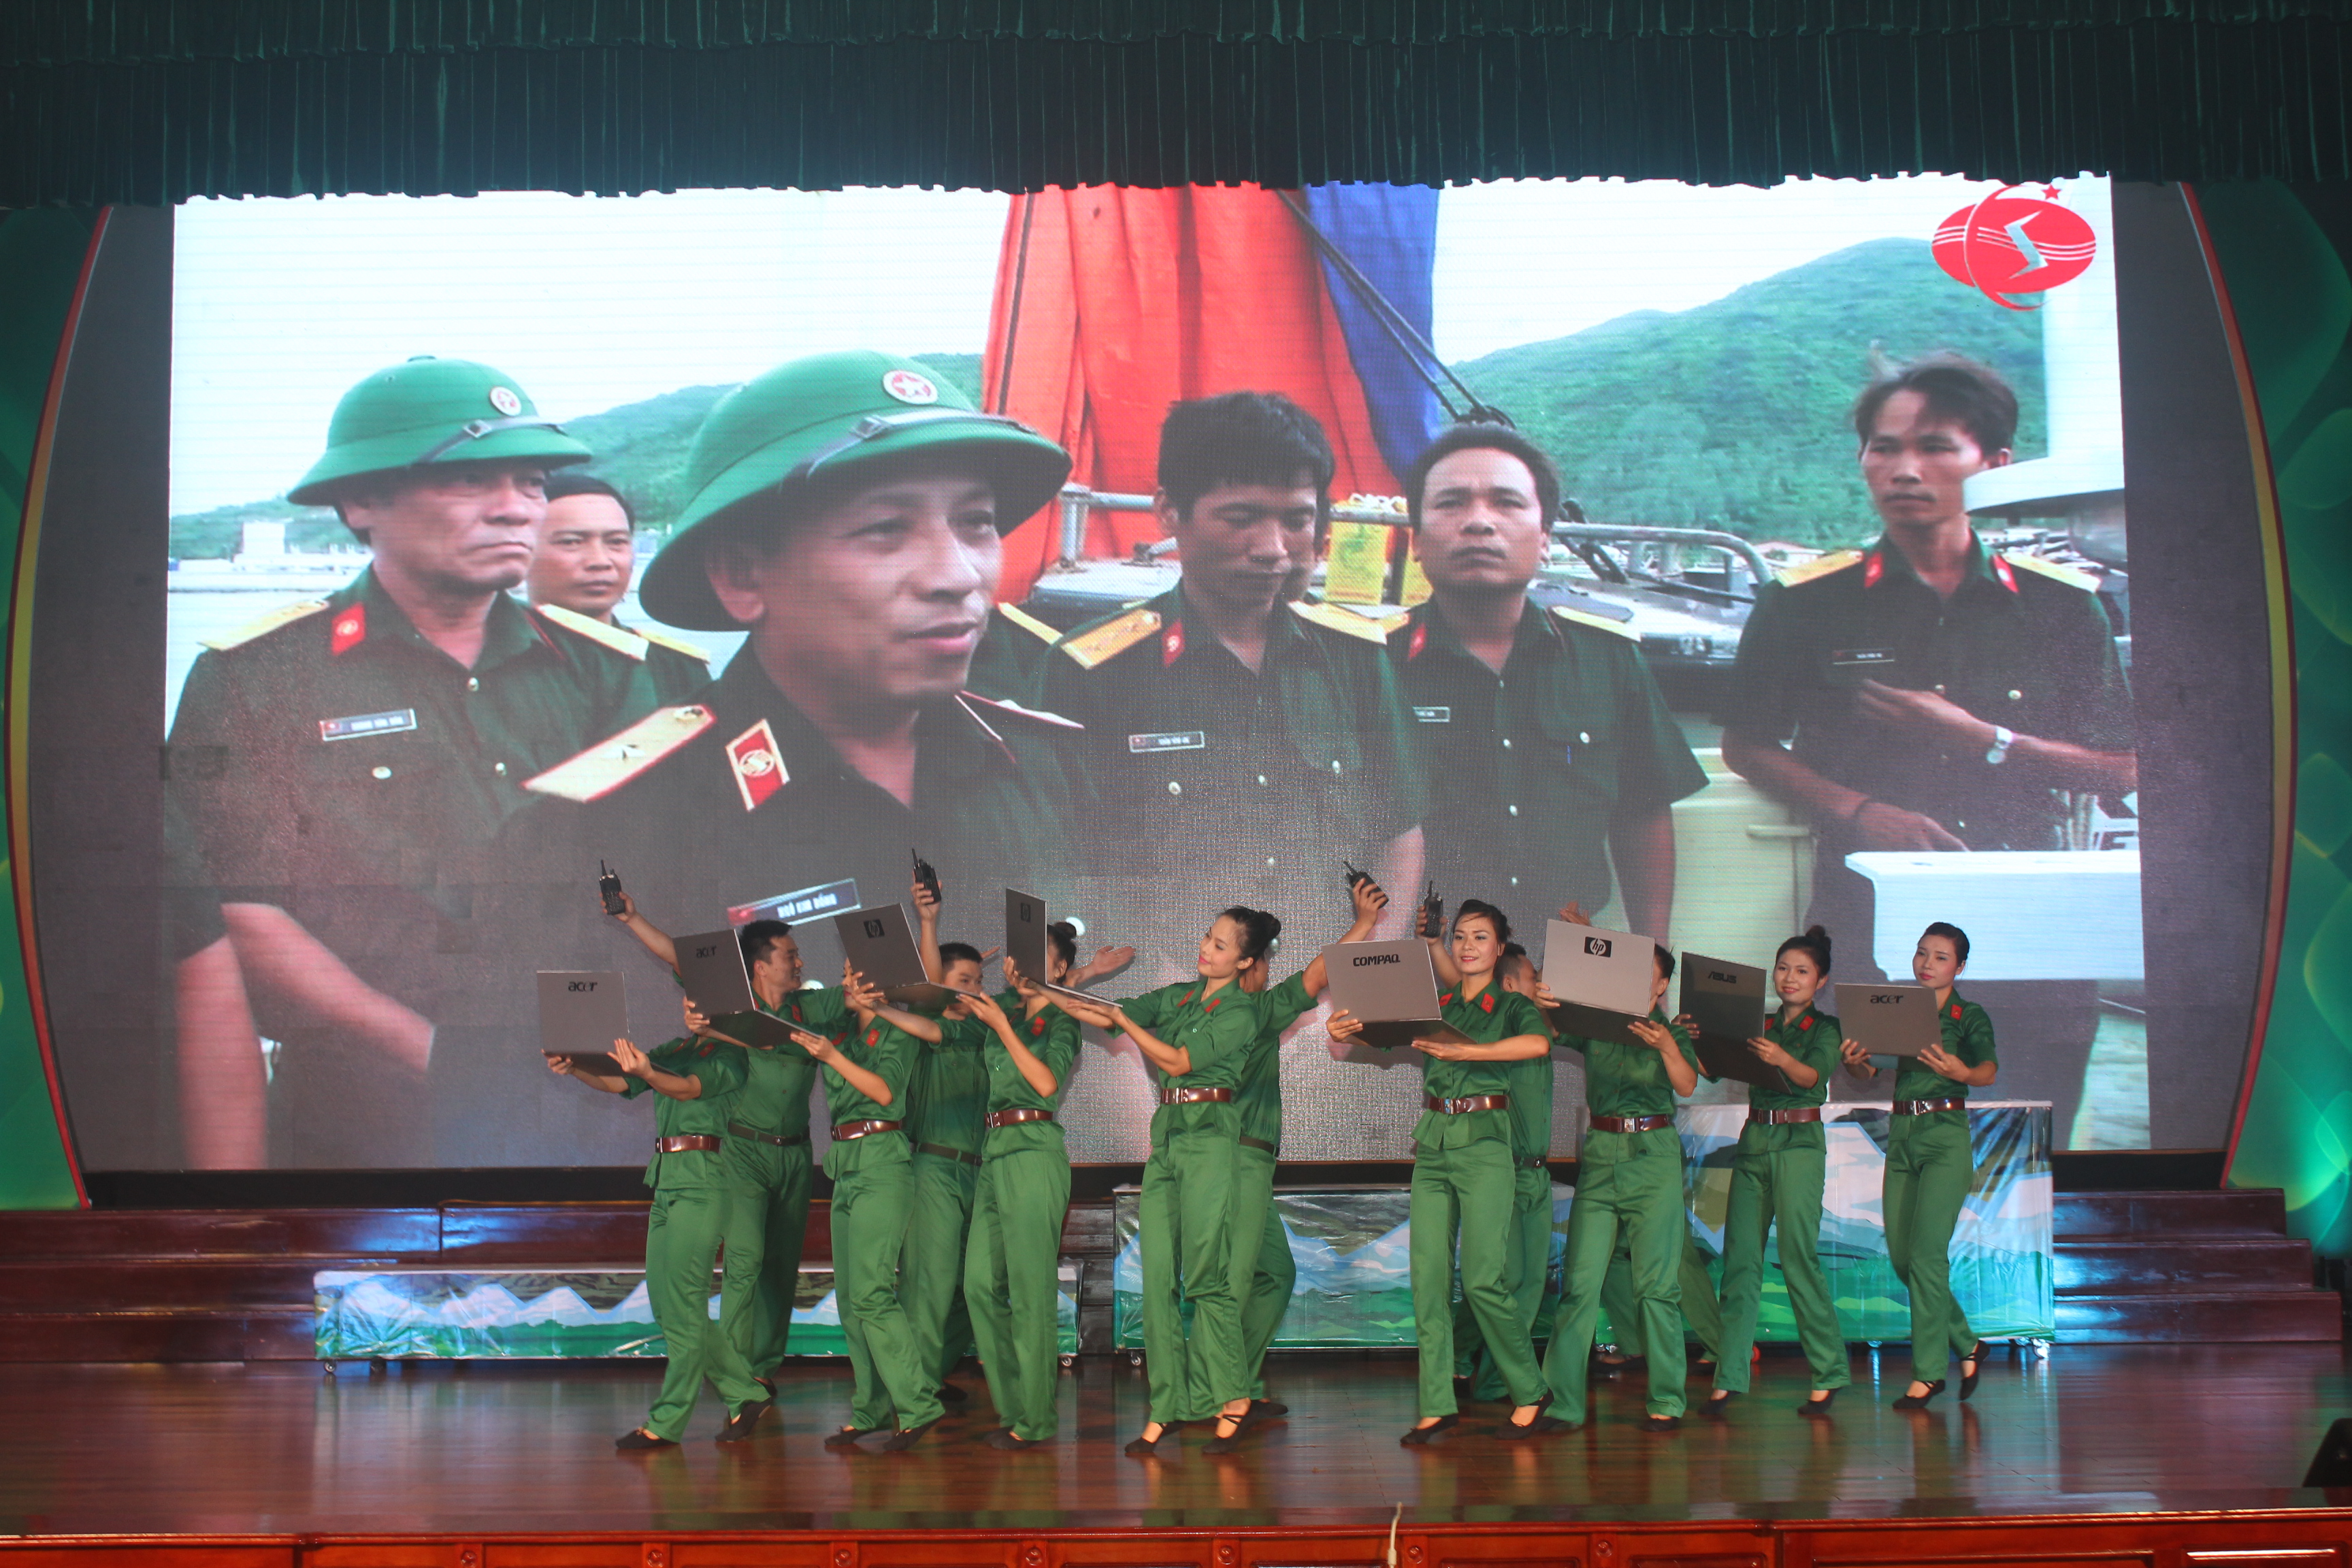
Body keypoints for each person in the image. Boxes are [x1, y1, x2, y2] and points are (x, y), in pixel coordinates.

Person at [165, 355, 653, 1167]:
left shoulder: (609, 669)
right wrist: (443, 1058)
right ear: (362, 501)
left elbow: (653, 878)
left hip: (588, 1103)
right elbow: (234, 907)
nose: (515, 510)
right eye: (470, 482)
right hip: (359, 1120)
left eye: (532, 482)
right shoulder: (258, 674)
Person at [525, 350, 1086, 948]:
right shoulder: (612, 827)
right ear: (743, 576)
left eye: (976, 522)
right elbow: (575, 1039)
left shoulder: (1037, 761)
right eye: (884, 529)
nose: (957, 575)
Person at [1719, 353, 2134, 1137]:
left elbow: (2123, 765)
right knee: (1871, 1147)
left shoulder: (2060, 609)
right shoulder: (1806, 604)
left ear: (1995, 465)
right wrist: (1858, 809)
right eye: (1884, 447)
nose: (1904, 469)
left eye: (1937, 446)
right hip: (1872, 928)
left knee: (2024, 1144)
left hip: (2028, 933)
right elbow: (1746, 744)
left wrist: (1989, 740)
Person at [1041, 393, 1426, 975]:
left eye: (1297, 520)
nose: (1273, 549)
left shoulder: (1355, 656)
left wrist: (1361, 992)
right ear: (1170, 513)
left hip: (1339, 1001)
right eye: (1241, 518)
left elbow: (1400, 833)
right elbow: (1059, 868)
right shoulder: (1093, 671)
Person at [1390, 423, 1707, 938]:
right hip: (1423, 957)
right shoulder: (1369, 664)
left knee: (1634, 1021)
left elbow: (1644, 815)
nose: (1479, 523)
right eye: (1451, 503)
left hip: (1580, 948)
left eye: (1507, 503)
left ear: (1543, 540)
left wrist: (1653, 959)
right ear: (1418, 541)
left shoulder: (1607, 658)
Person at [1053, 909, 1279, 1458]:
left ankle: (1234, 1396)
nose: (1207, 948)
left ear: (1245, 961)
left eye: (1222, 946)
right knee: (1156, 1281)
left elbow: (1178, 1060)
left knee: (1206, 1276)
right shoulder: (1178, 996)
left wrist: (1130, 1027)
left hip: (1211, 1140)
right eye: (1208, 936)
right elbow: (1106, 1014)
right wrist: (1044, 990)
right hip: (1169, 1141)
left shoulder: (1243, 1013)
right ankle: (1166, 1407)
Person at [1327, 900, 1554, 1444]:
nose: (1468, 946)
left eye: (1480, 938)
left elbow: (1540, 1043)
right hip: (1433, 1144)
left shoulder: (1511, 1005)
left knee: (1481, 1278)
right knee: (1428, 1279)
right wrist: (1346, 1029)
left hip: (1485, 1145)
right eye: (1460, 937)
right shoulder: (1438, 1001)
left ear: (1500, 949)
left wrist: (1471, 1054)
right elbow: (1380, 1036)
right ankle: (1436, 1403)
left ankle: (1531, 1389)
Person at [610, 901, 848, 1394]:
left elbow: (865, 999)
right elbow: (681, 958)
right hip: (742, 1152)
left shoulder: (812, 1007)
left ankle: (762, 1368)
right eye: (791, 954)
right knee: (746, 1260)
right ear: (760, 964)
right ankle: (737, 1372)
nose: (800, 962)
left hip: (797, 1154)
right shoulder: (732, 1005)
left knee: (780, 1266)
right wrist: (632, 917)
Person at [549, 1018, 766, 1450]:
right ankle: (747, 1392)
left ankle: (667, 1423)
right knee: (669, 1308)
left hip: (702, 1184)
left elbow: (686, 1088)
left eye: (698, 997)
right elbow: (620, 1084)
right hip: (666, 1181)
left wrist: (648, 1071)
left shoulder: (732, 1056)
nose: (690, 1005)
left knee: (685, 1304)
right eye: (686, 996)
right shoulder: (676, 1047)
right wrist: (576, 1068)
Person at [1230, 872, 1391, 1408]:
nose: (1272, 972)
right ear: (1249, 965)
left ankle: (1240, 1386)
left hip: (1242, 1166)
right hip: (1238, 1164)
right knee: (1235, 1284)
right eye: (1269, 961)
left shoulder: (1225, 1013)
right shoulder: (1248, 1010)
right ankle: (1224, 1392)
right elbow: (1320, 974)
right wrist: (1364, 922)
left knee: (1274, 1273)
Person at [1535, 930, 1703, 1433]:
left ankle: (1668, 1400)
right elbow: (1556, 1026)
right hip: (1603, 1151)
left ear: (1662, 984)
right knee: (1581, 1282)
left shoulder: (1677, 1032)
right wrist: (1547, 1000)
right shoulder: (1599, 1023)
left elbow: (1687, 1084)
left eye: (1646, 971)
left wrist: (1668, 1044)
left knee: (1657, 1285)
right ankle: (1564, 1404)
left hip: (1653, 1154)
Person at [1841, 921, 1999, 1411]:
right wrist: (1854, 1060)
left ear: (1961, 966)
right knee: (1904, 1258)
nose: (1927, 964)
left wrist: (1963, 1072)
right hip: (1903, 1136)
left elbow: (1988, 1070)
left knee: (1927, 1255)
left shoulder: (1968, 1014)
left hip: (1945, 1137)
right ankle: (1968, 1343)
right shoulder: (1899, 1009)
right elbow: (1869, 1070)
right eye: (1921, 953)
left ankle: (1929, 1374)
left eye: (1940, 957)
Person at [1695, 926, 1850, 1417]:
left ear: (1820, 980)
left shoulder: (1825, 1029)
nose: (1789, 978)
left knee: (1799, 1257)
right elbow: (1710, 1070)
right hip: (1756, 1140)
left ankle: (1828, 1371)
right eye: (1782, 968)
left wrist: (1781, 1056)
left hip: (1800, 1143)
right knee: (1740, 1260)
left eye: (1801, 971)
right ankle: (1729, 1375)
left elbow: (1812, 1076)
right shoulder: (1757, 1022)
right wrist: (1699, 1037)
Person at [960, 936, 1085, 1448]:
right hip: (994, 1149)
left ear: (1058, 968)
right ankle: (1015, 1407)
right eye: (1019, 955)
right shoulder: (1000, 1008)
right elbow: (936, 1014)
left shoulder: (1061, 1019)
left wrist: (1004, 1028)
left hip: (1034, 1148)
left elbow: (1046, 1082)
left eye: (1039, 958)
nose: (1022, 965)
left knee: (1031, 1293)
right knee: (978, 1286)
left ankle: (1034, 1421)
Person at [819, 970, 947, 1450]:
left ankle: (918, 1404)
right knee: (853, 1298)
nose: (847, 979)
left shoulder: (900, 1027)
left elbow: (885, 1091)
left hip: (882, 1159)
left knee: (873, 1292)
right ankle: (869, 1408)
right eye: (845, 970)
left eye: (856, 972)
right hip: (844, 1163)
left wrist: (832, 1058)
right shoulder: (839, 1031)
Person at [527, 471, 713, 704]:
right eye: (571, 542)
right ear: (523, 550)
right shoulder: (493, 663)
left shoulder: (676, 669)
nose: (600, 561)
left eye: (616, 542)